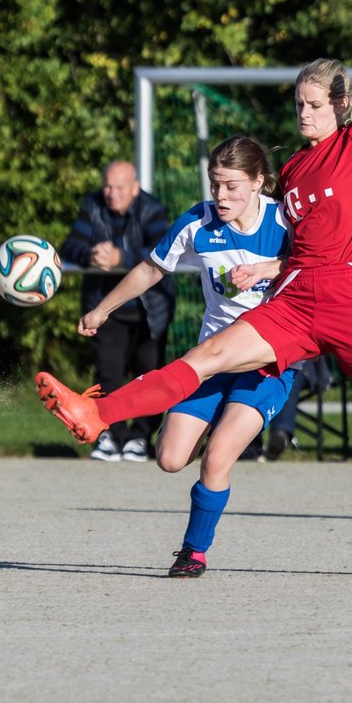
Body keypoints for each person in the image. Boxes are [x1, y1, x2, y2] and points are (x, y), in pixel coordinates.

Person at [36, 26, 352, 579]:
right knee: (209, 355)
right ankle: (96, 413)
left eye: (315, 104)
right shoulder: (291, 171)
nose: (305, 114)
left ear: (341, 103)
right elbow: (295, 248)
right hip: (298, 299)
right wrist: (271, 268)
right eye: (299, 104)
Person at [75, 136, 294, 577]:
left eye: (232, 186)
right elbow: (151, 269)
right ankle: (210, 427)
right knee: (171, 458)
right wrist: (102, 309)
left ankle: (193, 552)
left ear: (259, 182)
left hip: (268, 363)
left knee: (217, 460)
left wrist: (268, 268)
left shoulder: (286, 220)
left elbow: (317, 263)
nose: (221, 196)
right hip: (211, 359)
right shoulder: (199, 221)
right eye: (215, 185)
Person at [59, 160, 176, 462]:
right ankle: (108, 433)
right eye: (108, 186)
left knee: (148, 375)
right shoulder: (92, 205)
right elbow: (70, 244)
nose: (112, 193)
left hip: (150, 310)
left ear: (134, 188)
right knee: (107, 373)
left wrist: (122, 256)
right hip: (106, 305)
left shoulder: (152, 209)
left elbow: (163, 248)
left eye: (119, 187)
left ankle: (140, 437)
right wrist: (90, 254)